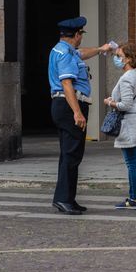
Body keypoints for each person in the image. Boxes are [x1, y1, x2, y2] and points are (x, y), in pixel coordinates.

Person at [49, 16, 111, 215]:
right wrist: (77, 112)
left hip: (64, 106)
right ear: (76, 35)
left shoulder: (64, 50)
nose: (81, 39)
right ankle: (63, 199)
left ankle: (67, 198)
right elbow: (67, 84)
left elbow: (82, 53)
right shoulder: (66, 55)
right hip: (70, 106)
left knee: (69, 153)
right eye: (81, 35)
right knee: (71, 154)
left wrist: (101, 49)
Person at [104, 42, 136, 209]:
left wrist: (110, 102)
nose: (117, 59)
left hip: (130, 124)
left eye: (119, 56)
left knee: (131, 163)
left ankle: (135, 199)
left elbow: (125, 105)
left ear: (128, 59)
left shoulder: (127, 78)